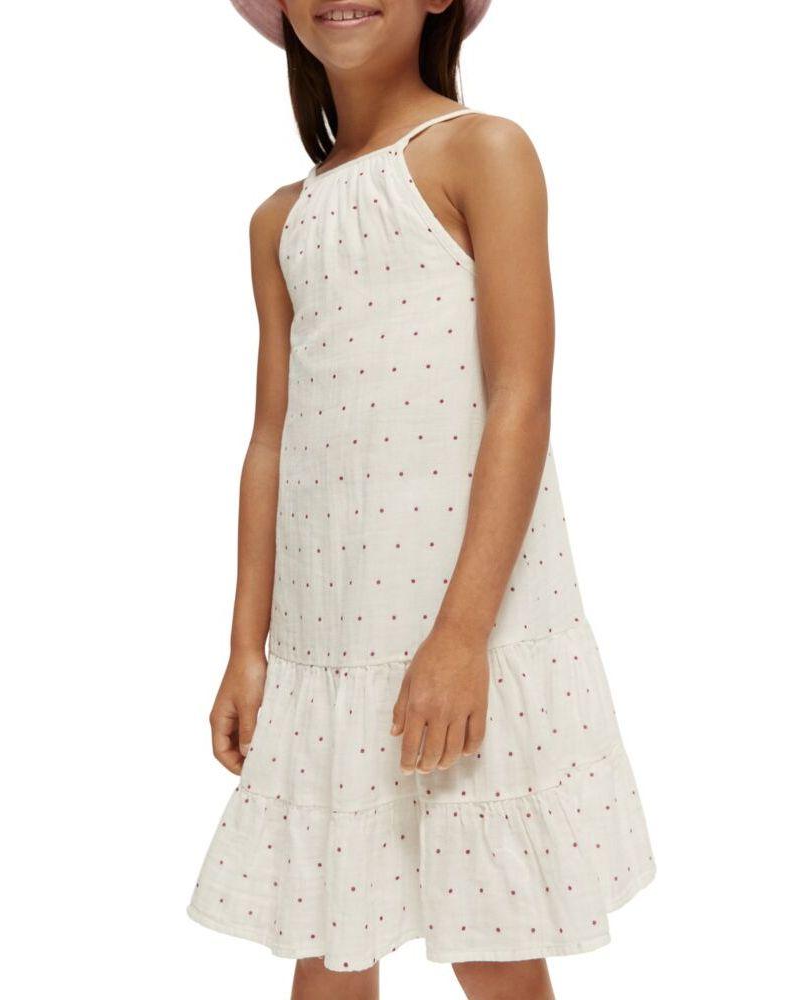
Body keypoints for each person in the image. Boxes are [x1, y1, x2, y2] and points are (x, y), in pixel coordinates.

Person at [187, 3, 655, 997]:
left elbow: (520, 399)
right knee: (330, 937)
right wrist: (246, 648)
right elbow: (271, 439)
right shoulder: (280, 220)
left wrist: (461, 636)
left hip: (459, 617)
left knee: (491, 935)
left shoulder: (481, 152)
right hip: (329, 631)